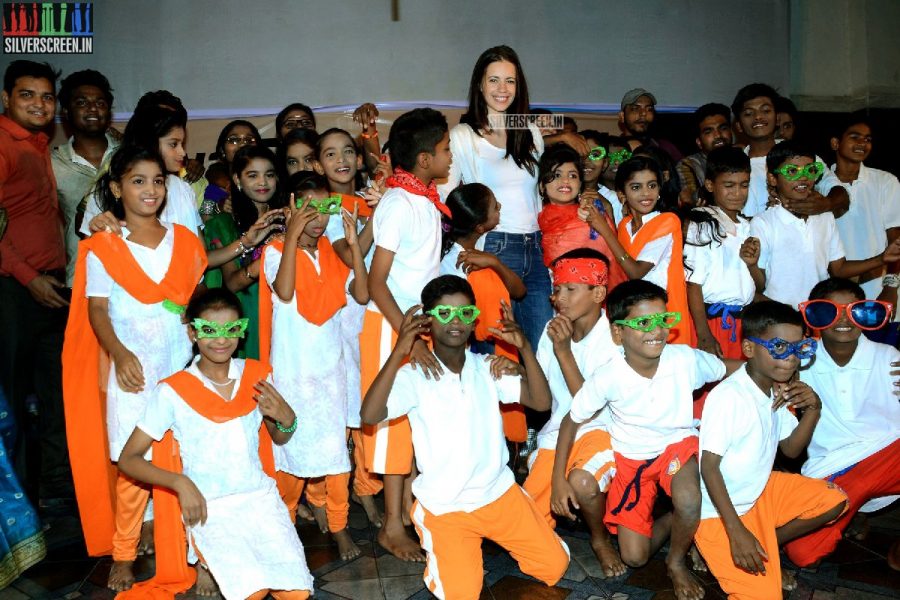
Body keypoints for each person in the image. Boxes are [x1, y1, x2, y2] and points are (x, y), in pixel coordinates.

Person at [361, 275, 569, 600]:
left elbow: (541, 402)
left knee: (555, 566)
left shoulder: (488, 367)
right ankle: (444, 553)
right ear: (427, 322)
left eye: (465, 314)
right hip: (446, 509)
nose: (455, 321)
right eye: (444, 314)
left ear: (474, 321)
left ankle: (513, 530)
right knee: (461, 594)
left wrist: (524, 348)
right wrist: (400, 350)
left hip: (499, 494)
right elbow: (370, 415)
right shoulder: (414, 375)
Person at [61, 145, 207, 590]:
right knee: (133, 464)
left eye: (158, 181)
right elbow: (98, 311)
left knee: (188, 457)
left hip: (178, 364)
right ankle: (122, 554)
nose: (150, 190)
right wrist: (121, 354)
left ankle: (193, 549)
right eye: (138, 181)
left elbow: (191, 303)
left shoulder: (184, 239)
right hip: (133, 370)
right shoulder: (104, 246)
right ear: (115, 187)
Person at [116, 288, 314, 599]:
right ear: (193, 333)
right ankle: (205, 562)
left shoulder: (257, 375)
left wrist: (288, 418)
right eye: (209, 330)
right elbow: (129, 459)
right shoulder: (173, 391)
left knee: (297, 594)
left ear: (241, 330)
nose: (221, 340)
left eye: (230, 330)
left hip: (258, 498)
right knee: (253, 593)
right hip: (210, 506)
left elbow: (279, 436)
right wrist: (179, 482)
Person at [558, 280, 738, 600]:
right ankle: (676, 521)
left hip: (676, 446)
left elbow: (727, 368)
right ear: (618, 333)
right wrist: (558, 480)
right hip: (632, 459)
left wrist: (768, 370)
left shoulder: (683, 359)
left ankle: (676, 561)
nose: (656, 330)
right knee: (635, 557)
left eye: (662, 319)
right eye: (643, 322)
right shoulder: (608, 375)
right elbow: (570, 421)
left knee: (688, 497)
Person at [696, 300, 848, 599]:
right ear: (749, 349)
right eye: (779, 348)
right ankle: (733, 543)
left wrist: (813, 408)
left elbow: (791, 450)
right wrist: (736, 532)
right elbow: (708, 468)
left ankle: (764, 545)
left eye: (798, 349)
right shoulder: (730, 397)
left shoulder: (772, 389)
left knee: (834, 500)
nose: (790, 360)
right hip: (719, 510)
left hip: (759, 491)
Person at [440, 45, 580, 351]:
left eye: (510, 81)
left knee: (542, 348)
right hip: (494, 247)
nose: (502, 89)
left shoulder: (529, 130)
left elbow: (539, 190)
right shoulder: (463, 134)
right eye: (494, 80)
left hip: (537, 247)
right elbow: (445, 198)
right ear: (479, 84)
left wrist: (563, 136)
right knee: (495, 350)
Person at [260, 172, 368, 561]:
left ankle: (339, 528)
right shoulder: (275, 251)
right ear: (292, 206)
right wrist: (291, 236)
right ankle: (284, 525)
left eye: (326, 208)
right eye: (310, 208)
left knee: (337, 458)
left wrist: (354, 248)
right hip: (294, 374)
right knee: (292, 458)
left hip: (330, 373)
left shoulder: (328, 251)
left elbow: (362, 292)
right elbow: (285, 291)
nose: (319, 218)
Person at [360, 107, 451, 561]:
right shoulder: (398, 203)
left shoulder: (423, 199)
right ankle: (391, 526)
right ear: (422, 159)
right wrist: (407, 339)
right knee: (395, 428)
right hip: (392, 327)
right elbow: (377, 282)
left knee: (416, 427)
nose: (450, 157)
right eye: (445, 150)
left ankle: (415, 515)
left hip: (415, 327)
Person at [784, 278, 899, 568]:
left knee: (863, 480)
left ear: (865, 314)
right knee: (803, 553)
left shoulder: (889, 357)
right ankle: (851, 507)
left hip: (889, 455)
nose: (844, 319)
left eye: (853, 310)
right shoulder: (800, 361)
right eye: (830, 311)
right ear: (814, 316)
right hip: (834, 467)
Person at [521, 250, 624, 577]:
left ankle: (599, 538)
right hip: (557, 432)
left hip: (603, 430)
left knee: (581, 482)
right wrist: (517, 363)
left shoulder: (614, 337)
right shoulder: (554, 330)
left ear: (598, 293)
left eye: (570, 289)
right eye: (557, 288)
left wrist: (564, 351)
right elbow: (542, 397)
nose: (559, 298)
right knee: (525, 524)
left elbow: (589, 405)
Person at [0, 60, 74, 512]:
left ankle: (55, 497)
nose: (39, 104)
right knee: (11, 401)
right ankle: (18, 511)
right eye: (27, 95)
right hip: (14, 290)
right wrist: (28, 279)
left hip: (51, 290)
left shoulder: (41, 145)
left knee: (55, 399)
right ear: (7, 98)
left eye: (46, 96)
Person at [748, 141, 900, 308]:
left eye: (810, 170)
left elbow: (839, 269)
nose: (803, 177)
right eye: (792, 171)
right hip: (781, 318)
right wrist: (752, 264)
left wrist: (881, 258)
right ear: (772, 178)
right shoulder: (763, 222)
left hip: (819, 315)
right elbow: (760, 285)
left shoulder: (825, 218)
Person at [440, 182, 528, 443]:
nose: (499, 207)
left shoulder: (481, 253)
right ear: (479, 226)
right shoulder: (456, 262)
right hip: (476, 348)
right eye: (494, 206)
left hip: (497, 343)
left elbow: (519, 291)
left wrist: (494, 262)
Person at [580, 156, 694, 345]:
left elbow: (635, 271)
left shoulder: (667, 221)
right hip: (633, 312)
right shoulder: (624, 226)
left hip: (664, 312)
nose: (645, 193)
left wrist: (605, 230)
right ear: (621, 195)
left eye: (652, 185)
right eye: (636, 187)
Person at [203, 145, 285, 359]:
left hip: (287, 317)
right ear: (238, 180)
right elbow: (231, 283)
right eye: (252, 175)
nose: (263, 182)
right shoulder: (223, 224)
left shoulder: (288, 219)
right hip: (248, 318)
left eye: (269, 175)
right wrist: (266, 251)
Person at [731, 83, 848, 217]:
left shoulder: (801, 155)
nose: (758, 117)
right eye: (749, 113)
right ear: (739, 125)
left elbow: (841, 195)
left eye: (766, 110)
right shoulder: (733, 165)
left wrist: (826, 204)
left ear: (777, 119)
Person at [684, 147, 757, 360]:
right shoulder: (702, 221)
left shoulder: (748, 225)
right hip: (711, 321)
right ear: (709, 185)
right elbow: (693, 283)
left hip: (743, 322)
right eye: (729, 185)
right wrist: (704, 333)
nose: (737, 193)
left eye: (744, 185)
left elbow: (756, 283)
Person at [51, 69, 119, 286]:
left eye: (100, 103)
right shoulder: (52, 163)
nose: (92, 108)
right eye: (82, 102)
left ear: (108, 111)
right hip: (80, 278)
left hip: (131, 277)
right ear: (67, 112)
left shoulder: (130, 155)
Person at [537, 142, 626, 292]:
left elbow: (612, 262)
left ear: (580, 184)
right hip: (552, 295)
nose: (565, 181)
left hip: (597, 297)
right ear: (542, 185)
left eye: (572, 175)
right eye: (557, 175)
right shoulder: (534, 219)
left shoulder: (592, 214)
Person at [829, 115, 900, 303]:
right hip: (834, 296)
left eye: (867, 139)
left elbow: (896, 239)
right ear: (836, 143)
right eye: (855, 137)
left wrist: (890, 288)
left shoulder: (885, 182)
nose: (863, 143)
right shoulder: (820, 186)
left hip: (879, 292)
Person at [676, 103, 733, 207]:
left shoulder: (744, 156)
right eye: (708, 131)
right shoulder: (688, 165)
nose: (718, 135)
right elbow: (690, 198)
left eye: (723, 128)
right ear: (699, 142)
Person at [618, 88, 682, 162]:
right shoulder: (614, 149)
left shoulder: (665, 147)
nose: (644, 113)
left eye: (649, 109)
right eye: (635, 108)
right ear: (622, 116)